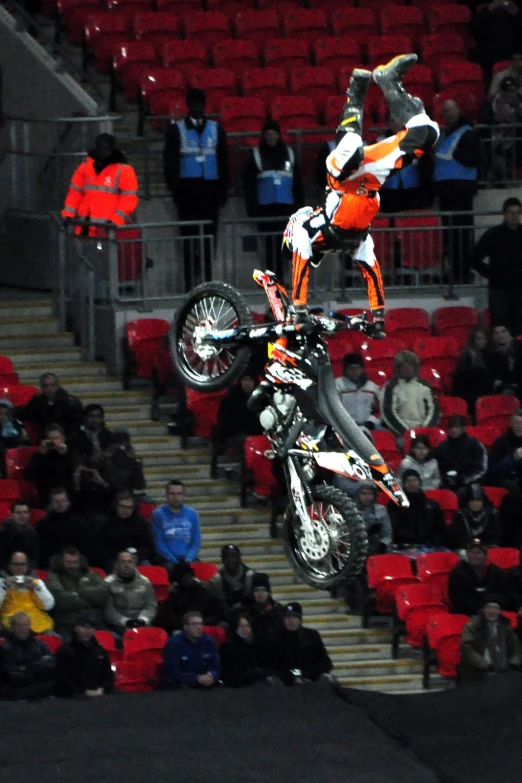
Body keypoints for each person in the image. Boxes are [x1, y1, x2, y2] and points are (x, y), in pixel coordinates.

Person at [286, 54, 439, 327]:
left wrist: (298, 305)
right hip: (368, 181)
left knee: (351, 144)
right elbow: (372, 272)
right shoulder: (358, 242)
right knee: (428, 132)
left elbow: (301, 256)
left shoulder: (303, 231)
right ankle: (389, 82)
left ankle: (355, 90)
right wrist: (378, 315)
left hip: (340, 181)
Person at [163, 88, 228, 291]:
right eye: (194, 104)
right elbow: (169, 162)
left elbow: (224, 161)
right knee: (189, 238)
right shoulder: (177, 129)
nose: (197, 108)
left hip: (210, 191)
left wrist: (222, 191)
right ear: (188, 106)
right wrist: (175, 191)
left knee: (210, 239)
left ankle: (209, 281)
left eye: (200, 103)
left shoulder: (216, 129)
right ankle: (190, 284)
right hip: (187, 191)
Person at [243, 119, 304, 282]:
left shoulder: (289, 153)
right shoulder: (255, 154)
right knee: (269, 248)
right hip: (265, 208)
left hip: (286, 208)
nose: (271, 137)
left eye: (274, 134)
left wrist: (299, 208)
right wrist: (252, 208)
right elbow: (249, 183)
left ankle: (284, 280)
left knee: (285, 248)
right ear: (263, 136)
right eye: (268, 134)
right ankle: (273, 281)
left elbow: (297, 182)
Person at [432, 100, 481, 283]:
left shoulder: (468, 133)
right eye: (445, 111)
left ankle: (464, 272)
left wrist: (456, 154)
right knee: (450, 235)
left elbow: (477, 159)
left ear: (458, 111)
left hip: (461, 191)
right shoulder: (446, 134)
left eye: (450, 110)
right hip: (446, 192)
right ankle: (454, 271)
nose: (447, 114)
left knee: (462, 234)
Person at [61, 133, 138, 236]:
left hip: (108, 229)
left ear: (111, 148)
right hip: (85, 226)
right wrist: (68, 214)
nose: (102, 151)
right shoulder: (85, 167)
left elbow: (129, 199)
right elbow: (75, 193)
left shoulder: (124, 170)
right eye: (100, 148)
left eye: (105, 148)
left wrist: (115, 220)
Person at [471, 198, 522, 336]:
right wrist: (491, 274)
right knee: (499, 328)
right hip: (499, 289)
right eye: (511, 212)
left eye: (517, 212)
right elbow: (474, 258)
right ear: (504, 214)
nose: (514, 216)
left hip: (520, 288)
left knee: (520, 327)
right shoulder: (493, 235)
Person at [47, 546, 109, 638]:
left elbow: (104, 593)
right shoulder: (53, 576)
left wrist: (77, 593)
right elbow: (60, 599)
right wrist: (89, 601)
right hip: (67, 624)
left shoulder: (91, 574)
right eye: (68, 562)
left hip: (93, 623)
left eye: (75, 562)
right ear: (61, 562)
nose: (72, 565)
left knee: (115, 641)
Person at [459, 595, 521, 684]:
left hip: (506, 671)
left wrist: (513, 663)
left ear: (500, 611)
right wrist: (484, 665)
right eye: (489, 607)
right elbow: (467, 649)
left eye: (496, 608)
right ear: (483, 610)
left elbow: (516, 648)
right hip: (479, 673)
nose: (493, 611)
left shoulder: (506, 628)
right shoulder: (471, 627)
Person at [380, 350, 440, 438]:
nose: (407, 369)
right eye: (403, 366)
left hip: (423, 432)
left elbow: (433, 410)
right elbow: (388, 412)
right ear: (398, 368)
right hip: (400, 434)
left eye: (410, 366)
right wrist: (406, 432)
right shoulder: (390, 387)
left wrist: (424, 430)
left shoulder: (425, 386)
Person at [272, 602, 333, 686]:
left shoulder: (311, 636)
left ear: (300, 619)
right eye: (288, 618)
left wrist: (308, 674)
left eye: (294, 617)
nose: (291, 621)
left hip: (311, 681)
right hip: (285, 684)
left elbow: (326, 662)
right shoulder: (276, 638)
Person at [55, 613, 114, 698]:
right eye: (83, 627)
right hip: (72, 696)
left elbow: (108, 675)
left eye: (90, 627)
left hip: (99, 694)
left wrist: (102, 689)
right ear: (76, 629)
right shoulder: (65, 651)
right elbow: (62, 677)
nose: (87, 631)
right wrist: (83, 691)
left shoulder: (100, 651)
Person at [157, 560, 224, 635]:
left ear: (192, 575)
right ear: (178, 580)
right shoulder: (175, 594)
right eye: (183, 577)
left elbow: (217, 610)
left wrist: (202, 623)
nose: (187, 579)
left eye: (188, 576)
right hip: (180, 628)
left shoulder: (202, 591)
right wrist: (182, 625)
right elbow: (168, 613)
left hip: (203, 625)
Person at [0, 612, 56, 700]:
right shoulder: (5, 648)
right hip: (16, 688)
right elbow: (11, 675)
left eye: (25, 625)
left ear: (30, 626)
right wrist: (37, 668)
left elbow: (51, 665)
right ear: (12, 628)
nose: (23, 629)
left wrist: (27, 668)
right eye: (19, 626)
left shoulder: (40, 644)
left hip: (40, 684)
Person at [36, 487, 96, 568]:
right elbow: (43, 552)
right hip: (54, 563)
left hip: (76, 561)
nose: (60, 504)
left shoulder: (79, 523)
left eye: (63, 501)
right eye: (56, 501)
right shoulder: (42, 525)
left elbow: (86, 547)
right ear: (51, 504)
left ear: (68, 502)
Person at [151, 480, 201, 574]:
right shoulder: (157, 514)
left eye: (179, 493)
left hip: (188, 558)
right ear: (166, 494)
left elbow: (196, 541)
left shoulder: (192, 514)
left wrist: (189, 558)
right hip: (167, 559)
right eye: (172, 494)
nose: (175, 497)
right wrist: (175, 561)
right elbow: (159, 543)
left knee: (199, 570)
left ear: (183, 495)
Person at [104, 550, 157, 637]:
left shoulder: (145, 582)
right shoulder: (108, 583)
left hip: (141, 622)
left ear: (134, 563)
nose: (127, 565)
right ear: (117, 564)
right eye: (123, 562)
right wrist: (126, 621)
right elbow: (109, 611)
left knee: (154, 637)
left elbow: (151, 605)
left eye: (130, 561)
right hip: (118, 624)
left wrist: (143, 619)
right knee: (131, 636)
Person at [387, 469, 446, 548]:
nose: (412, 484)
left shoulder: (432, 505)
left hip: (429, 546)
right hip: (404, 546)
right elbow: (393, 528)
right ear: (404, 484)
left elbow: (439, 529)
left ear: (419, 482)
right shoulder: (395, 504)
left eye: (414, 480)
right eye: (408, 481)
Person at [162, 610, 220, 689]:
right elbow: (172, 672)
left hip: (206, 685)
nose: (198, 627)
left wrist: (212, 675)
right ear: (186, 627)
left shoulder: (209, 642)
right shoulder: (174, 644)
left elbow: (216, 667)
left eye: (200, 624)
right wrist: (196, 678)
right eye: (194, 624)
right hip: (180, 687)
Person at [14, 372, 82, 438]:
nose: (49, 389)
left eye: (52, 385)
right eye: (45, 386)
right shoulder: (37, 401)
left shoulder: (72, 403)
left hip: (68, 441)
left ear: (58, 385)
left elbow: (76, 429)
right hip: (45, 440)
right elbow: (25, 413)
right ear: (41, 387)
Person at [220, 611, 279, 687]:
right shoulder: (229, 646)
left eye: (247, 626)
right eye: (241, 626)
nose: (244, 629)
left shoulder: (259, 644)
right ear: (236, 628)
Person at [0, 551, 54, 633]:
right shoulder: (2, 582)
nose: (20, 568)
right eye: (16, 564)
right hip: (11, 623)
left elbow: (49, 606)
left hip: (36, 623)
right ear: (9, 566)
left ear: (27, 566)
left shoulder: (36, 582)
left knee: (56, 638)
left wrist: (36, 588)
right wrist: (4, 587)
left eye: (23, 564)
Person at [448, 540, 507, 615]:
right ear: (467, 554)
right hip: (468, 613)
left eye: (478, 552)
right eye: (471, 552)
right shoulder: (457, 573)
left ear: (485, 556)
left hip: (494, 611)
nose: (474, 555)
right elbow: (458, 600)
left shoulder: (495, 571)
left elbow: (503, 594)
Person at [434, 415, 488, 495]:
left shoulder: (475, 444)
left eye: (457, 427)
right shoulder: (441, 447)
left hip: (470, 483)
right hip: (446, 484)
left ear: (464, 428)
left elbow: (482, 468)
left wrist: (463, 480)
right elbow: (436, 468)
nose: (453, 430)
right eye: (451, 427)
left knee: (464, 492)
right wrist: (446, 480)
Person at [481, 77, 522, 182]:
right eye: (507, 91)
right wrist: (495, 121)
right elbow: (484, 118)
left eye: (512, 91)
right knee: (499, 163)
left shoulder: (519, 102)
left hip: (514, 140)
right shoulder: (492, 102)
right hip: (495, 141)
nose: (510, 94)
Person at [102, 491, 155, 571]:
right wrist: (120, 555)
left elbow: (148, 545)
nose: (125, 510)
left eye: (129, 507)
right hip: (115, 558)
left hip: (137, 557)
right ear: (116, 506)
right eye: (122, 506)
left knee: (147, 568)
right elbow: (102, 548)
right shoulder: (106, 522)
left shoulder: (140, 522)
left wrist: (137, 556)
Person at [24, 423, 74, 506]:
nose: (54, 442)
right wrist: (41, 455)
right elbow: (29, 476)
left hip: (67, 495)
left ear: (63, 439)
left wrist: (65, 455)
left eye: (56, 438)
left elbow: (73, 473)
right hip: (47, 496)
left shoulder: (70, 453)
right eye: (50, 439)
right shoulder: (40, 455)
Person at [214, 372, 263, 454]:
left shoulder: (262, 397)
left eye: (250, 380)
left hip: (257, 435)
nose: (247, 383)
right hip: (235, 435)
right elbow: (227, 422)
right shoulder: (232, 397)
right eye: (244, 380)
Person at [472, 2, 522, 79]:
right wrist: (488, 10)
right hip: (491, 56)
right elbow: (477, 33)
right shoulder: (484, 12)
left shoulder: (513, 11)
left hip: (513, 52)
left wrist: (516, 13)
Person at [447, 484, 502, 551]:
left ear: (483, 501)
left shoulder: (492, 514)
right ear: (467, 501)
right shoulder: (460, 515)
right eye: (472, 500)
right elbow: (457, 539)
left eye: (478, 500)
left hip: (488, 548)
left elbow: (495, 536)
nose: (475, 503)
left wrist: (487, 547)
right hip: (466, 549)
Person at [453, 327, 494, 415]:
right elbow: (467, 380)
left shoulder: (489, 355)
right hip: (468, 393)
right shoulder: (468, 356)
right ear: (473, 340)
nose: (482, 341)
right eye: (478, 338)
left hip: (481, 392)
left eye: (484, 338)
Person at [335, 353, 380, 430]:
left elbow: (379, 410)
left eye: (357, 368)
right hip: (344, 427)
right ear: (345, 369)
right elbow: (333, 409)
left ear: (362, 369)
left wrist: (371, 421)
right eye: (351, 368)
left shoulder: (372, 387)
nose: (354, 371)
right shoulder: (337, 385)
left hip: (368, 426)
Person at [207, 544, 256, 613]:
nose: (231, 560)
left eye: (234, 556)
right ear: (222, 559)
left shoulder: (251, 576)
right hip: (226, 615)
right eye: (227, 557)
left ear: (239, 558)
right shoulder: (216, 580)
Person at [99, 430, 146, 498]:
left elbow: (140, 485)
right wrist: (107, 459)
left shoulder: (131, 462)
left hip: (128, 498)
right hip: (109, 497)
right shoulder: (105, 461)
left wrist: (135, 462)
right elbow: (114, 482)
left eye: (125, 444)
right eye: (119, 443)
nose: (121, 448)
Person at [68, 404, 112, 468]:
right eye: (91, 416)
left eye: (98, 416)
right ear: (85, 418)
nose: (95, 419)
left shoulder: (107, 435)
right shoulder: (76, 435)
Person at [354, 482, 393, 554]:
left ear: (374, 495)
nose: (367, 497)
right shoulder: (351, 510)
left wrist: (382, 545)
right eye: (364, 493)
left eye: (370, 494)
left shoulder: (381, 510)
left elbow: (387, 534)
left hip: (377, 549)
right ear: (358, 494)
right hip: (355, 549)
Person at [489, 409, 522, 491]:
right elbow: (495, 470)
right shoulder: (501, 442)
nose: (519, 426)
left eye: (521, 423)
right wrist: (513, 458)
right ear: (511, 424)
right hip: (506, 479)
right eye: (516, 423)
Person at [0, 500, 39, 569]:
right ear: (11, 514)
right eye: (18, 513)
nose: (22, 516)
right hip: (4, 571)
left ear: (29, 514)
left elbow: (34, 557)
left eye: (25, 512)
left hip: (26, 571)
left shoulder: (32, 532)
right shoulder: (2, 532)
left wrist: (27, 570)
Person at [248, 572, 284, 646]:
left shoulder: (278, 610)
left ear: (269, 592)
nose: (260, 594)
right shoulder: (248, 611)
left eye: (263, 590)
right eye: (256, 590)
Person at [0, 400, 27, 475]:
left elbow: (20, 435)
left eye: (5, 414)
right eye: (0, 414)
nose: (3, 416)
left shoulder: (15, 423)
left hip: (14, 444)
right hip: (3, 447)